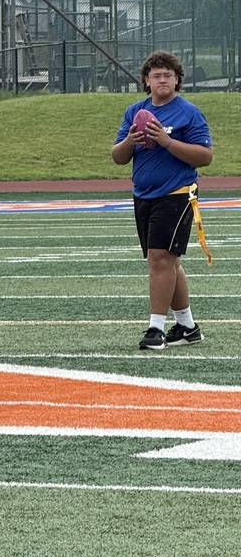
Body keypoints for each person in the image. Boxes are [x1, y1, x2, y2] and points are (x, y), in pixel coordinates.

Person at [112, 51, 213, 351]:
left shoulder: (188, 113)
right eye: (156, 75)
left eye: (168, 74)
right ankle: (187, 326)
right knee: (168, 261)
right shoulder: (134, 112)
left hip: (178, 192)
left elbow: (205, 156)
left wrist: (167, 141)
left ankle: (156, 328)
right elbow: (118, 157)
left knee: (160, 258)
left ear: (178, 79)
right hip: (144, 194)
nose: (162, 79)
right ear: (146, 80)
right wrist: (129, 141)